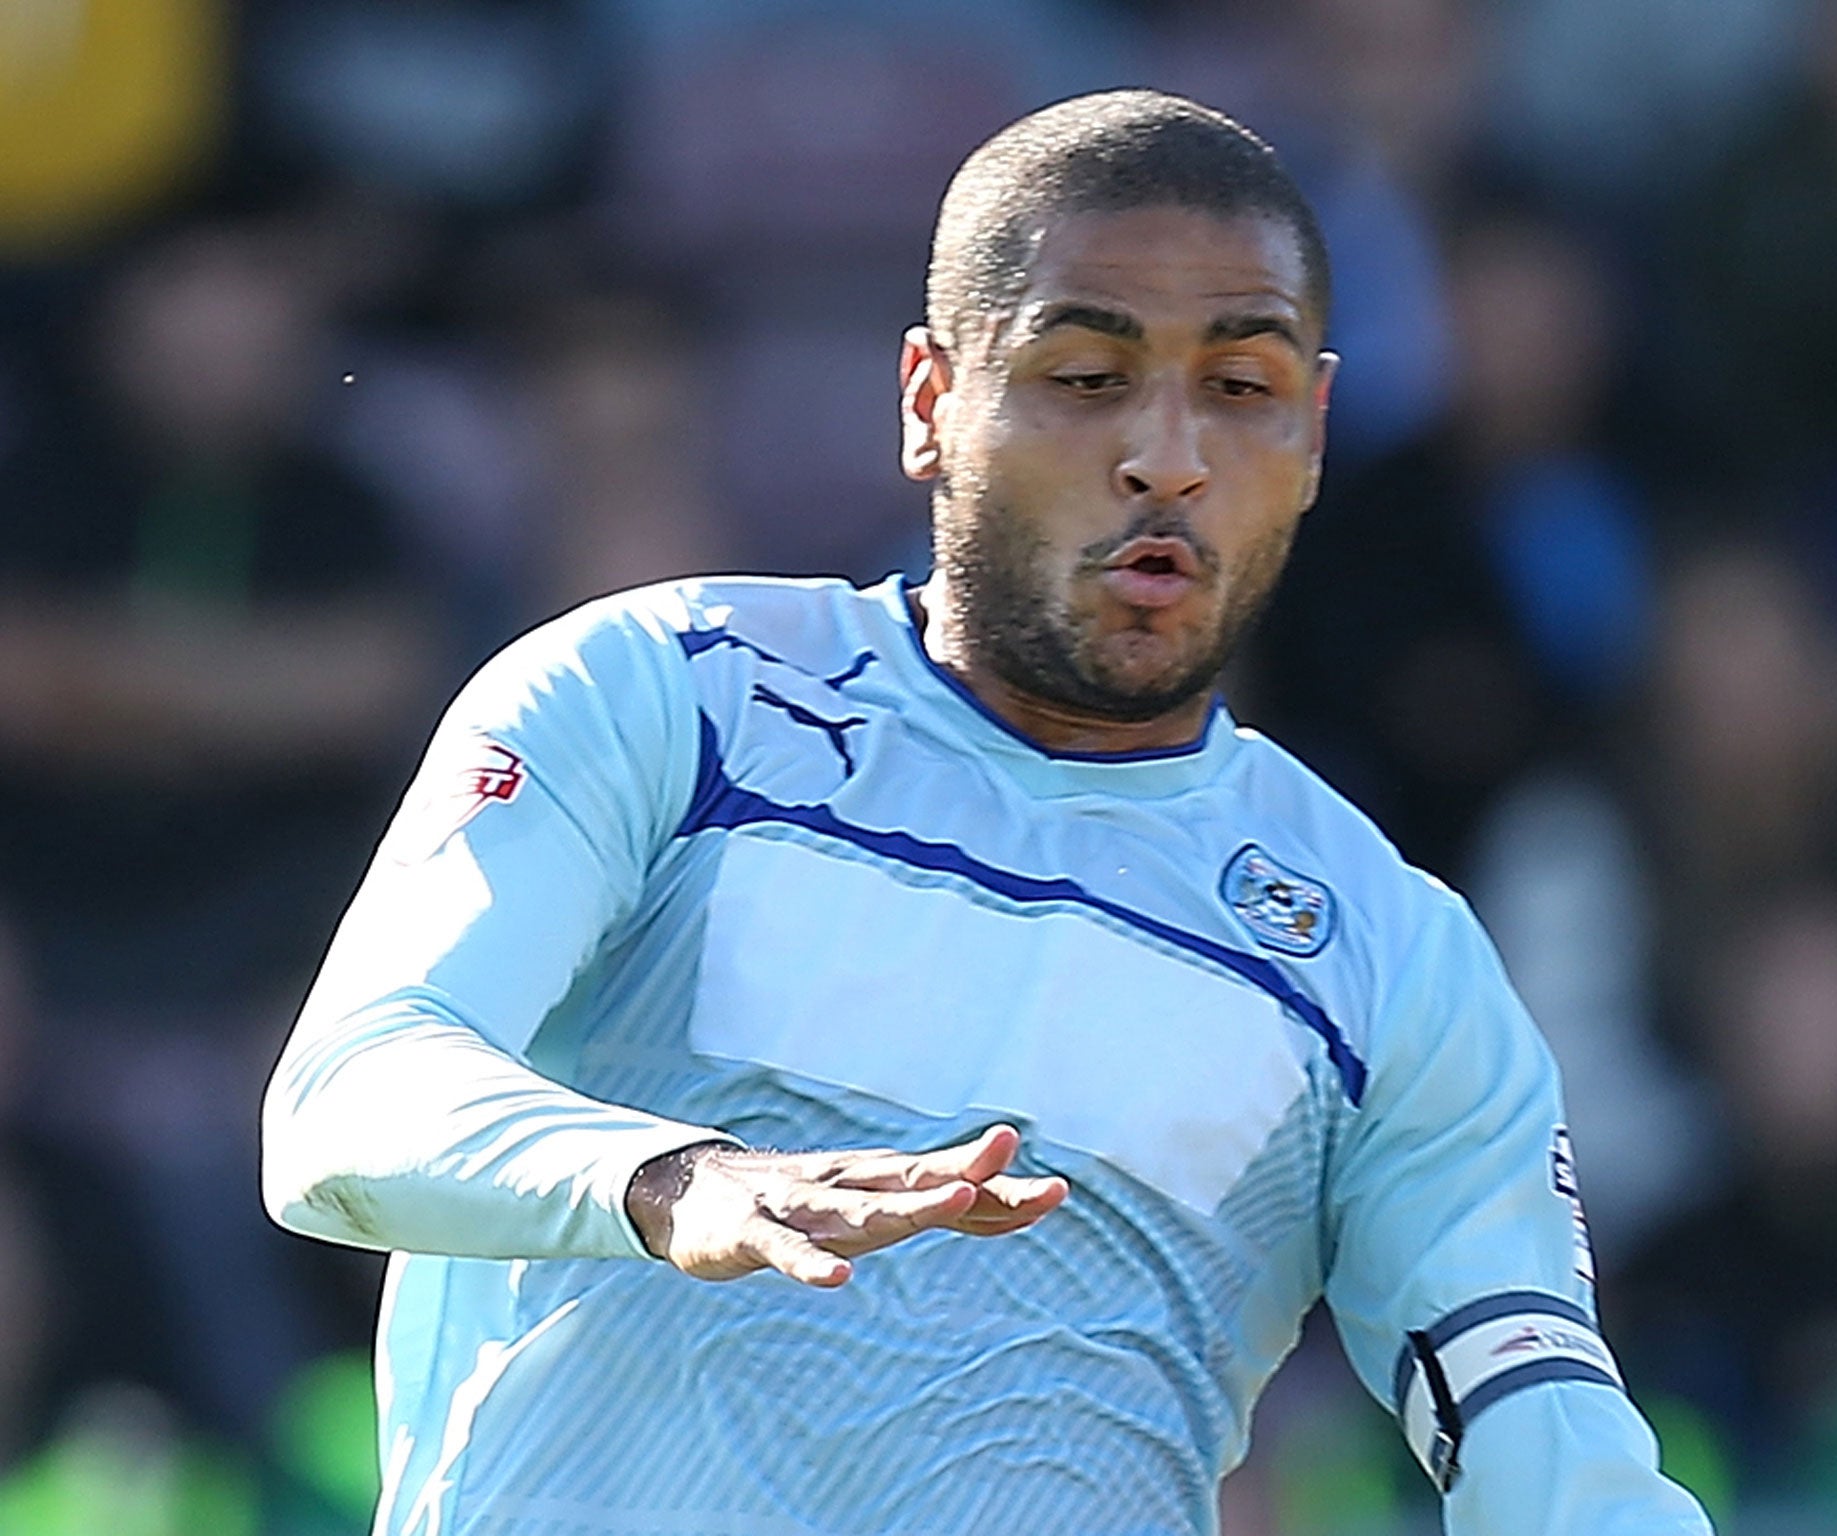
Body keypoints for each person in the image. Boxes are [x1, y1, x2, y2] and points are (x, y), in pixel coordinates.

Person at [261, 90, 1712, 1535]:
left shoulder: (1388, 954)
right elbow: (350, 1102)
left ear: (1315, 432)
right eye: (1086, 376)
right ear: (929, 401)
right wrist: (671, 1180)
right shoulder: (664, 695)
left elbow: (1541, 1429)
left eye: (1242, 387)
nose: (1168, 456)